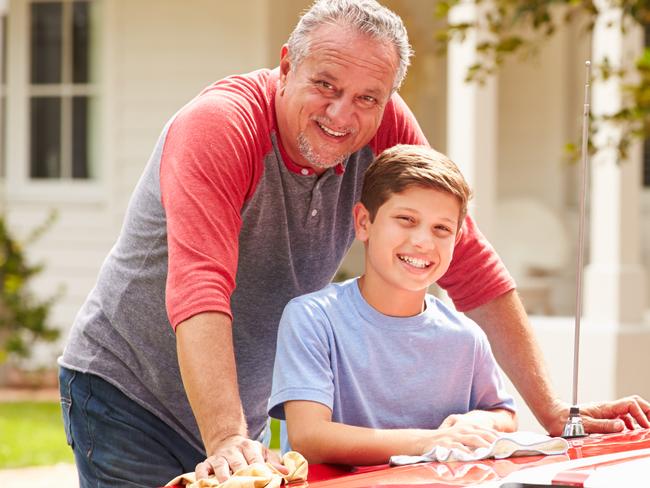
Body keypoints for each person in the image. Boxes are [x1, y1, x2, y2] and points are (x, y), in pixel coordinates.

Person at [57, 0, 650, 486]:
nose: (343, 114)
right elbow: (201, 287)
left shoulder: (384, 125)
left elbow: (469, 262)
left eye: (368, 97)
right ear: (286, 64)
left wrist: (555, 413)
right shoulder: (220, 126)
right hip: (129, 391)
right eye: (325, 85)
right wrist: (227, 437)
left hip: (239, 407)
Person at [268, 145, 518, 465]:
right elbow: (309, 437)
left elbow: (504, 413)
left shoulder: (466, 338)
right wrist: (430, 441)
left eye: (441, 228)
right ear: (363, 223)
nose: (423, 242)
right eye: (406, 219)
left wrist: (481, 423)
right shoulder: (313, 319)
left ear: (456, 240)